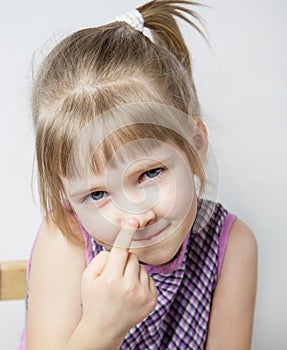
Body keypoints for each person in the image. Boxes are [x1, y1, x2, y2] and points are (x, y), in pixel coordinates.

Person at [19, 1, 258, 349]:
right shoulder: (66, 242)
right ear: (66, 193)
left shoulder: (232, 246)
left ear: (195, 144)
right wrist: (103, 329)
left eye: (149, 173)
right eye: (97, 195)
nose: (136, 216)